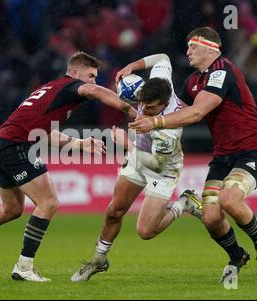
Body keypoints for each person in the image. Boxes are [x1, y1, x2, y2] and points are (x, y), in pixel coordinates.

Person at [0, 51, 137, 282]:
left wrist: (80, 143)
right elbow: (95, 91)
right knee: (49, 202)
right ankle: (24, 266)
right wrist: (129, 109)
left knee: (11, 209)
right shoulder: (70, 86)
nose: (93, 81)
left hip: (0, 145)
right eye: (90, 75)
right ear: (74, 73)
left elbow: (42, 132)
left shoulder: (53, 90)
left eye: (95, 77)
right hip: (15, 147)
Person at [129, 27, 257, 280]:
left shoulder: (222, 71)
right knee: (210, 218)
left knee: (229, 200)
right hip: (223, 155)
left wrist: (154, 124)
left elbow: (196, 113)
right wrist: (143, 108)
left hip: (251, 149)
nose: (187, 51)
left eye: (192, 46)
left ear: (210, 48)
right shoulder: (193, 81)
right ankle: (237, 256)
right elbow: (177, 113)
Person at [71, 53, 203, 282]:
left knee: (145, 231)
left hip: (162, 169)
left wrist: (127, 145)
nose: (143, 109)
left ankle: (185, 203)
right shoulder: (160, 85)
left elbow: (154, 163)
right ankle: (99, 260)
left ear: (163, 105)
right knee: (114, 210)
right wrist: (132, 65)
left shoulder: (170, 130)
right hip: (136, 158)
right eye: (141, 103)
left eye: (149, 108)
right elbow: (162, 58)